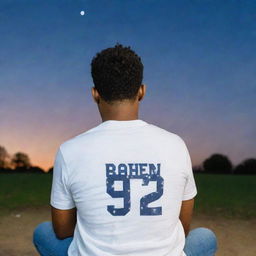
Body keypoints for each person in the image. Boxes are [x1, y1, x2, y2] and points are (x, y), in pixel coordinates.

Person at [33, 43, 218, 256]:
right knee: (205, 238)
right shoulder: (176, 144)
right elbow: (182, 227)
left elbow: (63, 230)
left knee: (43, 232)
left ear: (95, 94)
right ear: (141, 91)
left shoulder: (70, 150)